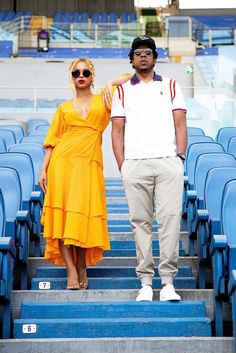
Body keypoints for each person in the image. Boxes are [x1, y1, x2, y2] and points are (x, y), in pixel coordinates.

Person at [38, 58, 130, 290]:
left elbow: (131, 77)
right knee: (64, 221)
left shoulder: (104, 99)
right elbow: (52, 141)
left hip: (89, 165)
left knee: (81, 219)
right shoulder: (63, 108)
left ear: (92, 76)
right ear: (71, 77)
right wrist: (44, 170)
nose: (81, 75)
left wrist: (110, 83)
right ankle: (71, 271)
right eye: (76, 72)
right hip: (62, 165)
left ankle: (81, 267)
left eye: (86, 72)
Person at [111, 35, 187, 301]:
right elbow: (117, 131)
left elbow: (180, 124)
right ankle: (145, 282)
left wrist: (179, 157)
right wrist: (123, 166)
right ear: (131, 59)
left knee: (169, 221)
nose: (143, 56)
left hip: (167, 161)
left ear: (154, 57)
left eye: (148, 52)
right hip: (135, 163)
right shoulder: (122, 91)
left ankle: (167, 283)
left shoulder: (172, 85)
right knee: (140, 223)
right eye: (138, 52)